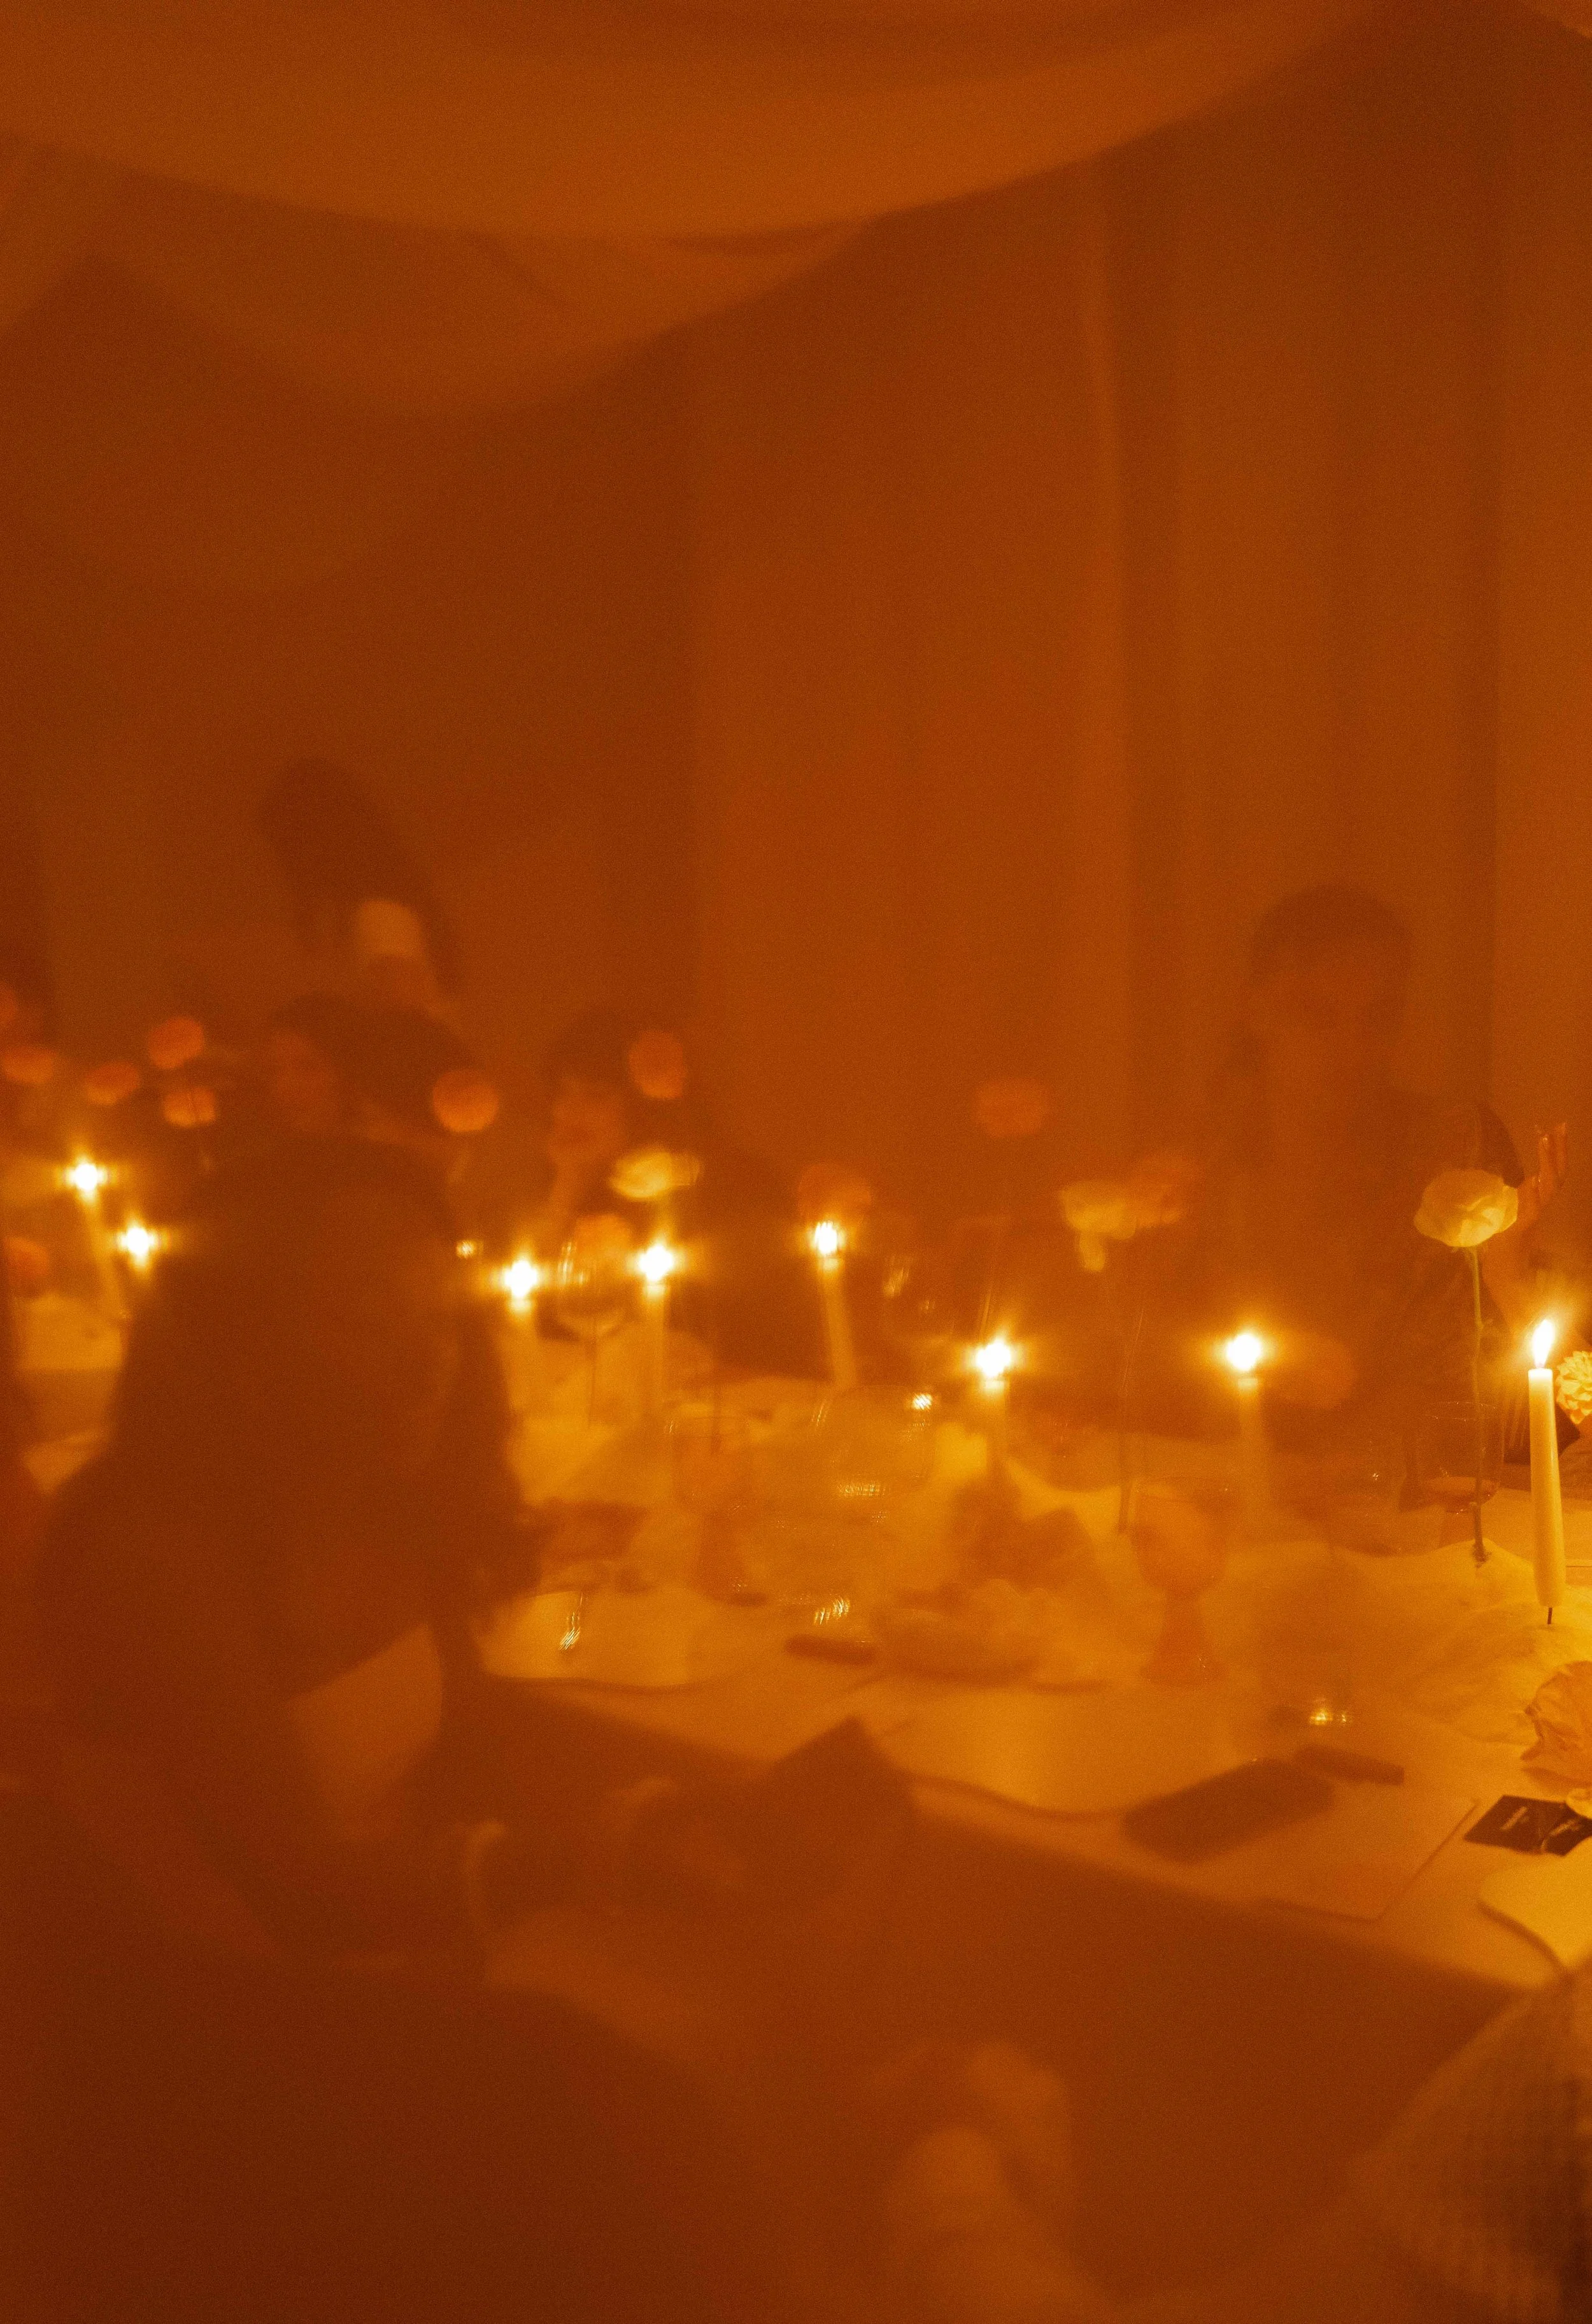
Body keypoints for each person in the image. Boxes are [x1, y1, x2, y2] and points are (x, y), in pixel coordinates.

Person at [32, 1137, 550, 1955]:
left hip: (385, 1963)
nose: (430, 1365)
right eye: (366, 1322)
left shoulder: (376, 1495)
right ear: (237, 1334)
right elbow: (294, 1892)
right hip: (218, 2009)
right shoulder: (154, 1553)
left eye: (442, 1318)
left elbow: (467, 1762)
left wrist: (651, 1820)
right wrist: (577, 1869)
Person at [1134, 886, 1565, 1457]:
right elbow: (1143, 1385)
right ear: (1257, 1009)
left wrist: (1514, 1280)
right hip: (1229, 1498)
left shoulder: (1456, 1160)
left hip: (1420, 1512)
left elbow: (1529, 1400)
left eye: (1377, 1017)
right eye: (1316, 1015)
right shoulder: (1198, 1165)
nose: (1352, 1047)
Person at [527, 1007, 823, 1376]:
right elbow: (543, 1326)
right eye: (564, 1094)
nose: (569, 1112)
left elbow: (762, 1337)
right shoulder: (587, 1188)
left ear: (643, 1101)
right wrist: (566, 1186)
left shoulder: (727, 1184)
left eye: (596, 1097)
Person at [258, 760, 459, 1015]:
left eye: (287, 844)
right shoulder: (379, 914)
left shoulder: (380, 919)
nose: (284, 862)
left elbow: (403, 1031)